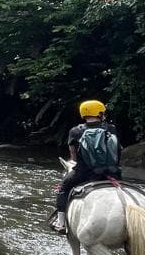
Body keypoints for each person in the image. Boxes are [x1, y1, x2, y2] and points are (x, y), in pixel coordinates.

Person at [51, 99, 122, 233]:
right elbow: (117, 150)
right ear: (99, 114)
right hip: (112, 173)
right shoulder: (111, 129)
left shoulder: (75, 131)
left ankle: (61, 224)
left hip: (84, 173)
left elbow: (74, 157)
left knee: (63, 188)